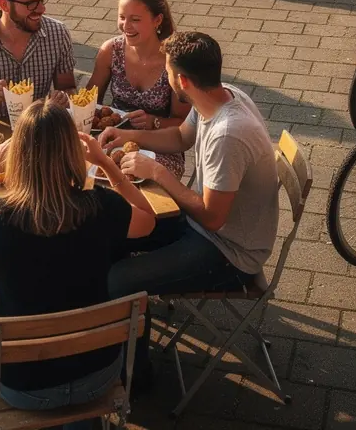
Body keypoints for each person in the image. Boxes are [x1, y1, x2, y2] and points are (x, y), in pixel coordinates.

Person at [0, 99, 155, 430]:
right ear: (72, 152)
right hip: (98, 375)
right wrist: (106, 165)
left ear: (16, 157)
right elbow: (149, 221)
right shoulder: (102, 205)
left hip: (24, 387)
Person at [104, 32, 279, 376]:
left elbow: (213, 219)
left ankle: (134, 376)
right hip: (202, 225)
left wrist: (158, 173)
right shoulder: (220, 95)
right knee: (109, 230)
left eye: (168, 72)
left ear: (181, 80)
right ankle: (117, 345)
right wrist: (128, 135)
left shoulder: (228, 134)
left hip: (229, 251)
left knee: (119, 281)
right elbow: (181, 137)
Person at [88, 0, 189, 177]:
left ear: (157, 20)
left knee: (141, 182)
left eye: (135, 19)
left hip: (160, 146)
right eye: (122, 17)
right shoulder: (110, 50)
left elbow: (184, 125)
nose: (126, 26)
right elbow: (90, 102)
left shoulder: (173, 59)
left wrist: (154, 121)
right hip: (113, 140)